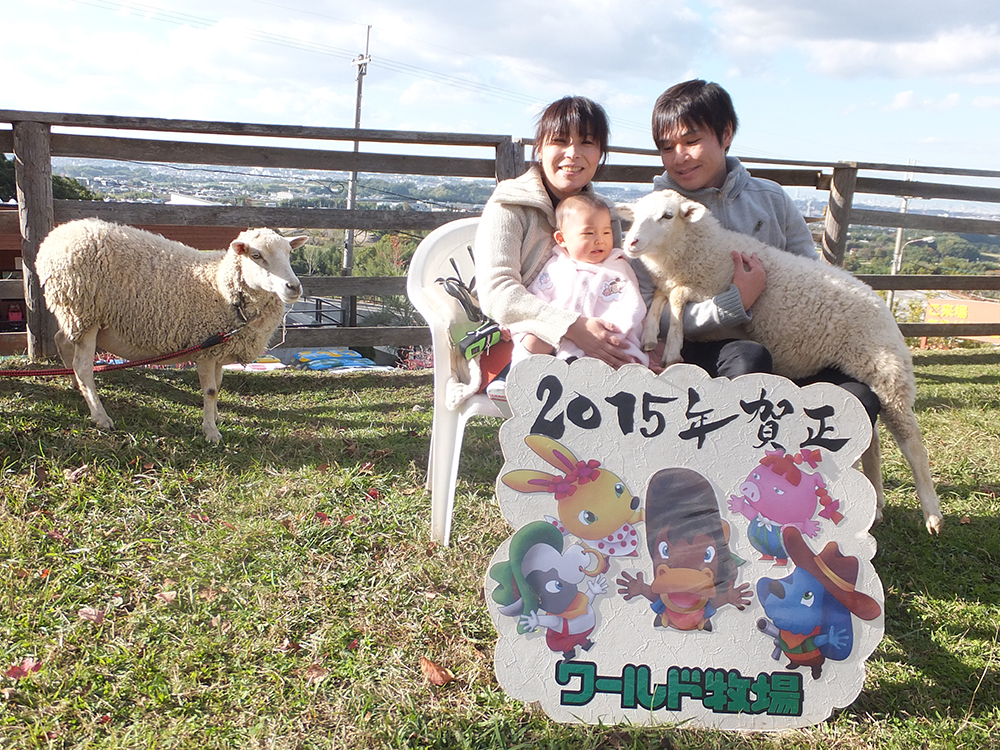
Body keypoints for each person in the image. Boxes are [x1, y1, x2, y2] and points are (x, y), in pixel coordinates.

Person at [642, 79, 879, 422]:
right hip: (700, 349)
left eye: (692, 141)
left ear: (725, 135)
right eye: (667, 147)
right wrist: (733, 303)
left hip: (785, 343)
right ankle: (734, 468)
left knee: (857, 398)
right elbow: (653, 310)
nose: (679, 157)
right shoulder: (652, 214)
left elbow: (810, 274)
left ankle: (807, 475)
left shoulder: (772, 199)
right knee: (749, 359)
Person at [475, 96, 635, 373]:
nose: (573, 153)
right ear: (540, 148)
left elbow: (617, 284)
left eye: (587, 142)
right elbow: (496, 293)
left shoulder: (604, 213)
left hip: (594, 348)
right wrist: (571, 326)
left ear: (600, 153)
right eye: (560, 141)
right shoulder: (510, 205)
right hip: (519, 344)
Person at [511, 192, 648, 368]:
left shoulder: (617, 268)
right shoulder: (556, 266)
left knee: (622, 359)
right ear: (561, 239)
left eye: (606, 232)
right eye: (589, 233)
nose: (600, 240)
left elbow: (632, 307)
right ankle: (518, 375)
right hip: (560, 340)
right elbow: (537, 298)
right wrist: (519, 326)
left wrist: (611, 334)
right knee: (531, 339)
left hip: (607, 345)